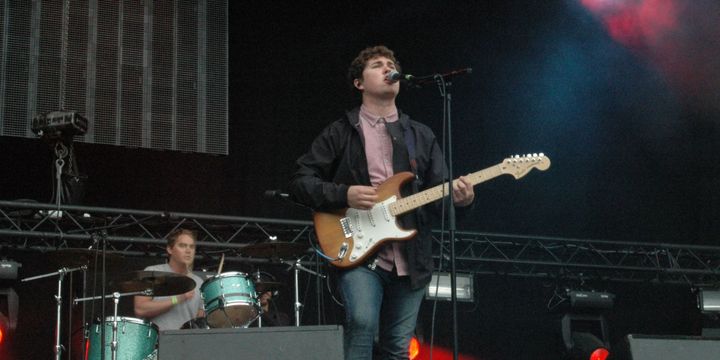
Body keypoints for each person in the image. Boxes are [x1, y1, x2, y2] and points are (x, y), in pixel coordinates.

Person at [288, 45, 474, 359]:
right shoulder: (341, 132)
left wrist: (461, 200)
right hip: (359, 250)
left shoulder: (420, 135)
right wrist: (343, 194)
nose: (388, 68)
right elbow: (299, 181)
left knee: (398, 347)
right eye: (377, 64)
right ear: (359, 83)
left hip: (410, 258)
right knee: (362, 324)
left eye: (391, 64)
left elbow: (437, 199)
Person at [134, 228, 205, 330]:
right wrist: (178, 298)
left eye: (192, 247)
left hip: (188, 342)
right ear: (170, 249)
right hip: (158, 342)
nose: (188, 250)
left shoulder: (199, 282)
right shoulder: (152, 272)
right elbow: (140, 309)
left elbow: (199, 317)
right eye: (182, 246)